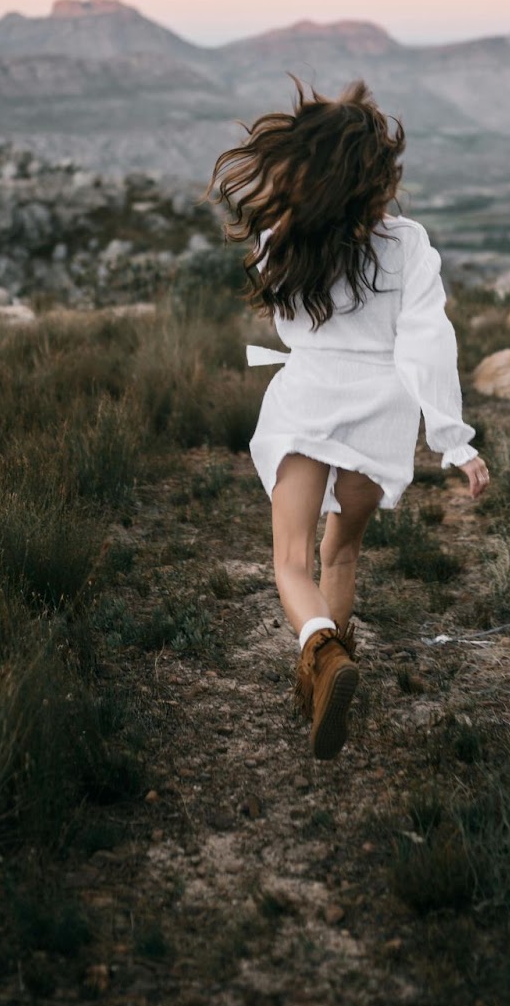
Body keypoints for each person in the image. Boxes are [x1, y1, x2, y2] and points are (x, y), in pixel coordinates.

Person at [206, 77, 491, 761]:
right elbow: (429, 341)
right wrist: (454, 440)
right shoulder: (410, 243)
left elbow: (286, 324)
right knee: (342, 550)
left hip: (307, 398)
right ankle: (330, 669)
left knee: (288, 562)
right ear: (376, 178)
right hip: (381, 411)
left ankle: (322, 654)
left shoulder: (285, 238)